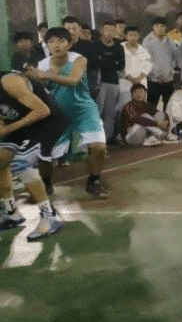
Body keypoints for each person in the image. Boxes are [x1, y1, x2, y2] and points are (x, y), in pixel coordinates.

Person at [26, 27, 109, 199]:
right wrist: (32, 78)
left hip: (83, 109)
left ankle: (94, 181)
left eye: (61, 41)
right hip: (57, 114)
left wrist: (45, 76)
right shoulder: (42, 65)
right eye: (51, 42)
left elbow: (73, 80)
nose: (56, 45)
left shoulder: (78, 59)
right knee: (45, 153)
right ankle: (46, 184)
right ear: (47, 45)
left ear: (69, 44)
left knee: (99, 147)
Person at [0, 70, 71, 240]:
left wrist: (7, 129)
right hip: (21, 122)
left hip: (48, 121)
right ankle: (10, 212)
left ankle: (50, 216)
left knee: (19, 163)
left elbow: (43, 110)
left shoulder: (9, 82)